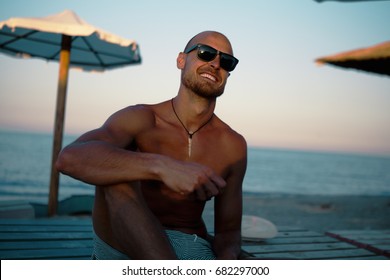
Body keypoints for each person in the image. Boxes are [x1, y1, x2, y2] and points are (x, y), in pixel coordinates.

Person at [56, 30, 247, 260]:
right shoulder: (141, 119)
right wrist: (161, 167)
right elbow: (68, 159)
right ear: (181, 60)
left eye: (226, 61)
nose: (216, 64)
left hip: (190, 249)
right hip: (122, 246)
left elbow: (228, 236)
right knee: (115, 172)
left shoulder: (232, 145)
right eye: (205, 53)